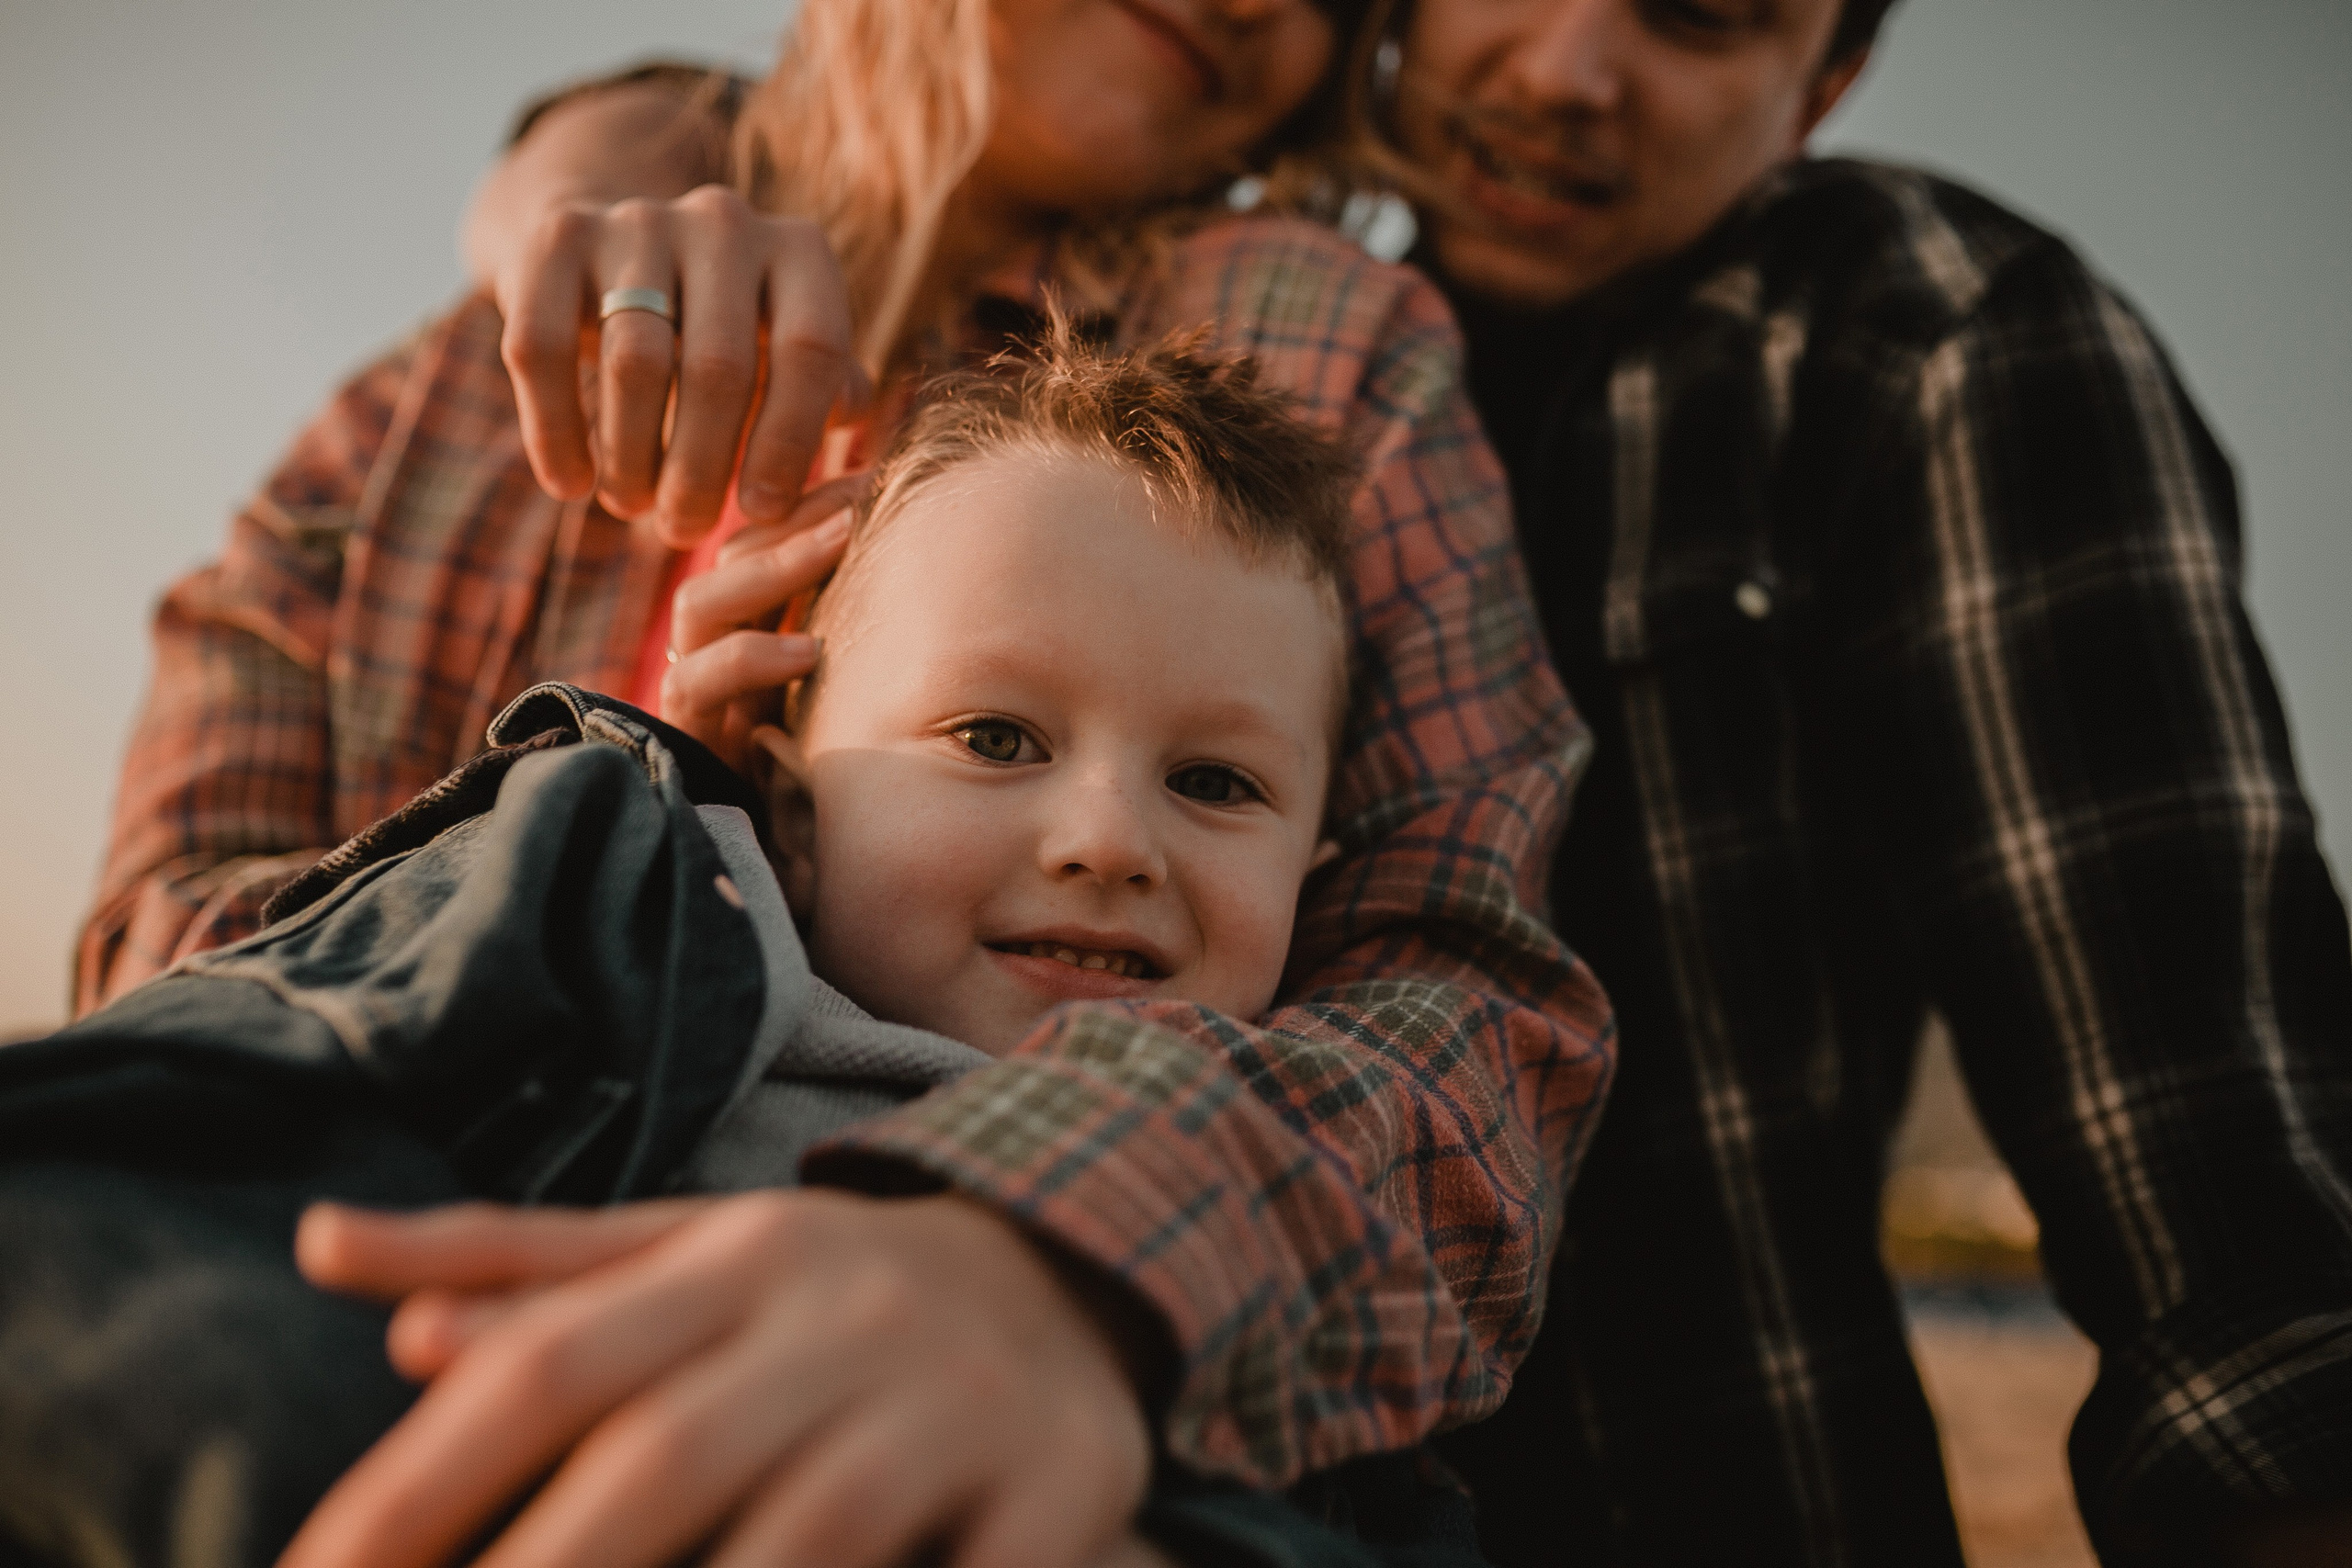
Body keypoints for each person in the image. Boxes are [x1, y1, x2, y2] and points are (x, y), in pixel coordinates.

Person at [452, 0, 2352, 1562]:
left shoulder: (1880, 335)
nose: (1562, 68)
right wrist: (606, 143)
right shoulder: (1209, 327)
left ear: (1820, 85)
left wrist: (1061, 1257)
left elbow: (2224, 1215)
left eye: (1694, 15)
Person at [76, 3, 1613, 1566]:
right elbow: (151, 978)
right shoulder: (422, 413)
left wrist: (1063, 1254)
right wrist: (632, 850)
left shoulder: (1319, 333)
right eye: (996, 738)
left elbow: (1466, 981)